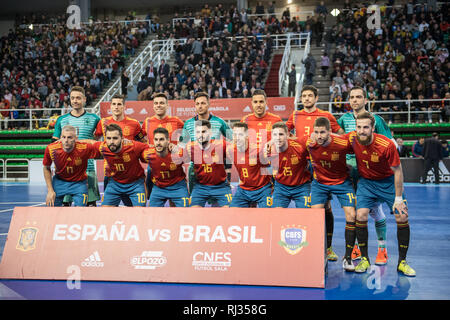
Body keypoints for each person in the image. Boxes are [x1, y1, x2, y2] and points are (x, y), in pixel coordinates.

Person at [348, 111, 415, 276]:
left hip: (388, 182)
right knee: (361, 215)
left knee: (402, 215)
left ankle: (402, 262)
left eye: (365, 127)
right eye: (359, 127)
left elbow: (398, 171)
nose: (362, 130)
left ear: (372, 128)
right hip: (367, 183)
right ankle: (364, 259)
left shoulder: (386, 145)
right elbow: (332, 140)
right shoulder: (352, 139)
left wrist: (399, 198)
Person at [337, 86, 394, 264]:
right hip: (350, 173)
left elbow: (388, 144)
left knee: (375, 211)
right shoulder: (343, 119)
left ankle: (382, 249)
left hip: (370, 173)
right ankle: (356, 247)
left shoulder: (376, 119)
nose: (355, 100)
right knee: (354, 212)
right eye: (352, 97)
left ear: (366, 100)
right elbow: (337, 144)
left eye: (359, 97)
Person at [286, 85, 343, 261]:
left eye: (310, 96)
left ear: (316, 98)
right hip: (300, 165)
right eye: (304, 96)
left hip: (320, 165)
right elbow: (283, 132)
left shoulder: (326, 115)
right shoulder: (295, 115)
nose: (307, 99)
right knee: (307, 207)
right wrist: (293, 140)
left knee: (325, 207)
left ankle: (328, 247)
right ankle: (310, 245)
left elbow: (341, 134)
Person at [307, 117, 357, 271]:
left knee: (351, 215)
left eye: (323, 132)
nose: (319, 135)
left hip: (342, 182)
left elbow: (361, 146)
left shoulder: (343, 143)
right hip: (320, 183)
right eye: (316, 132)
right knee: (315, 216)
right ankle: (321, 252)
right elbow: (288, 141)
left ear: (330, 131)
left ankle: (348, 258)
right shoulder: (309, 143)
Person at [52, 86, 101, 207]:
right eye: (72, 98)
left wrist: (84, 143)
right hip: (66, 169)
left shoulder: (95, 119)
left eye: (78, 98)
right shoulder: (61, 119)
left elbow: (97, 141)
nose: (75, 100)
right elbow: (55, 144)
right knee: (65, 207)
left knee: (89, 206)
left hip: (87, 167)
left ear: (84, 99)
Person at [94, 93, 146, 206]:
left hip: (131, 173)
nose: (116, 107)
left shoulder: (134, 124)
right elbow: (94, 139)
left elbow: (143, 143)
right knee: (109, 211)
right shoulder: (103, 122)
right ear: (110, 107)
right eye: (114, 104)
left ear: (124, 107)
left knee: (134, 209)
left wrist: (132, 144)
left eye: (119, 104)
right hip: (111, 173)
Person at [180, 91, 231, 194]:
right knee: (195, 204)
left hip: (216, 168)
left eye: (203, 103)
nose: (200, 106)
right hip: (195, 169)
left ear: (208, 104)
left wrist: (227, 158)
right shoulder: (188, 123)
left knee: (219, 206)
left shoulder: (219, 122)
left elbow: (233, 139)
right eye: (197, 104)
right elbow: (182, 144)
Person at [89, 124, 151, 207]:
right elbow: (88, 143)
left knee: (139, 212)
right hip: (115, 184)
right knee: (104, 212)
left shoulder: (134, 146)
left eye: (115, 138)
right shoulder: (103, 147)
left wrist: (169, 146)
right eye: (108, 138)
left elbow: (152, 148)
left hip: (135, 185)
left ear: (122, 138)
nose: (111, 141)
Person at [142, 93, 185, 199]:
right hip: (154, 165)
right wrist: (148, 146)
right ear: (153, 106)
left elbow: (187, 137)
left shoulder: (176, 121)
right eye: (156, 103)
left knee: (174, 201)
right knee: (151, 199)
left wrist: (178, 147)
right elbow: (140, 138)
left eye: (161, 103)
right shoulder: (147, 121)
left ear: (167, 105)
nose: (158, 105)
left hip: (173, 164)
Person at [43, 125, 97, 207]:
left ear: (76, 138)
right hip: (59, 182)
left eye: (70, 137)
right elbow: (46, 167)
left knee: (81, 210)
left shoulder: (84, 148)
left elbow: (101, 146)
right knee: (51, 208)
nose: (66, 140)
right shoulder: (52, 149)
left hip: (79, 183)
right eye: (64, 137)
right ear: (60, 137)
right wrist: (50, 190)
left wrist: (122, 142)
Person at [184, 120, 232, 207]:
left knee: (229, 211)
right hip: (200, 187)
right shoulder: (189, 147)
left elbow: (238, 150)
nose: (200, 135)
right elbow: (175, 156)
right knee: (193, 212)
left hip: (221, 186)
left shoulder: (222, 145)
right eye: (198, 132)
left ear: (210, 132)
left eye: (203, 131)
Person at [265, 122, 311, 208]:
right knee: (275, 215)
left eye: (281, 134)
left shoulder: (300, 146)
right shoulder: (267, 151)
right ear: (271, 136)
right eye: (275, 135)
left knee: (305, 215)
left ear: (287, 135)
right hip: (281, 187)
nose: (278, 138)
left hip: (302, 186)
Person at [227, 122, 273, 208]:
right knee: (232, 215)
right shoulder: (230, 150)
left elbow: (270, 169)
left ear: (247, 136)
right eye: (234, 135)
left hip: (262, 189)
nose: (237, 138)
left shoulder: (259, 150)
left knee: (268, 215)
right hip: (243, 190)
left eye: (240, 134)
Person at [147, 127, 190, 207]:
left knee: (186, 212)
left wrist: (179, 150)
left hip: (178, 188)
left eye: (162, 139)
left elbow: (190, 159)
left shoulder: (177, 153)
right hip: (159, 188)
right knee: (151, 213)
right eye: (156, 139)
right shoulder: (148, 153)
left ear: (168, 141)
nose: (158, 143)